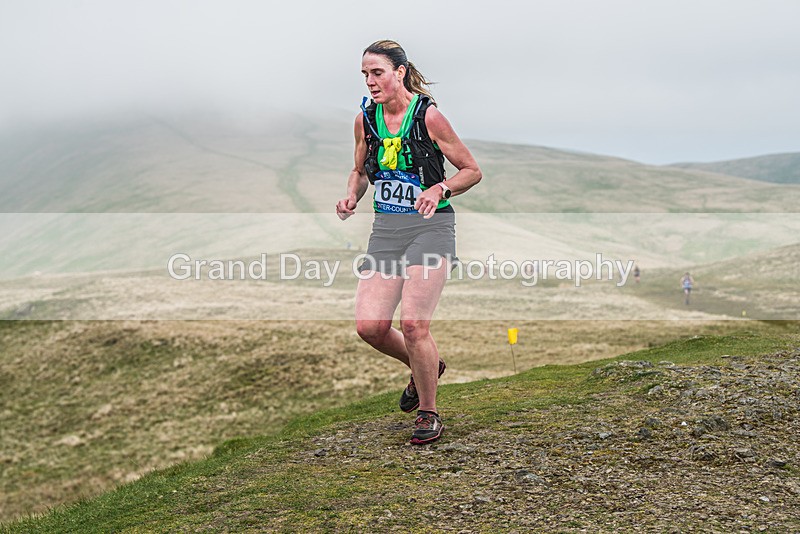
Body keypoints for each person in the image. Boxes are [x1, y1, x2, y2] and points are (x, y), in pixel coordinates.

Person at [336, 40, 482, 444]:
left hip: (429, 229)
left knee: (414, 324)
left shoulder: (429, 117)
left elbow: (471, 171)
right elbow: (359, 170)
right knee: (370, 327)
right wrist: (352, 195)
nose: (370, 81)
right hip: (386, 231)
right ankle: (427, 367)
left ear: (399, 72)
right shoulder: (365, 120)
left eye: (377, 72)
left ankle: (428, 413)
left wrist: (440, 189)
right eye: (365, 74)